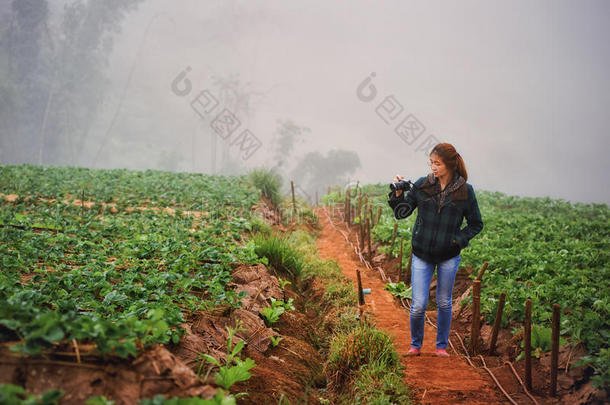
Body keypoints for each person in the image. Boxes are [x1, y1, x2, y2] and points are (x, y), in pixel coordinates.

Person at [387, 143, 484, 357]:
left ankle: (441, 347)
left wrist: (458, 240)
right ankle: (415, 345)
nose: (433, 167)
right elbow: (402, 213)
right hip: (422, 254)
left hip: (448, 256)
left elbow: (476, 223)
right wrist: (398, 195)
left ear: (449, 165)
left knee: (443, 301)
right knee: (419, 305)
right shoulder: (423, 185)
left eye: (437, 163)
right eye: (431, 162)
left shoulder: (464, 191)